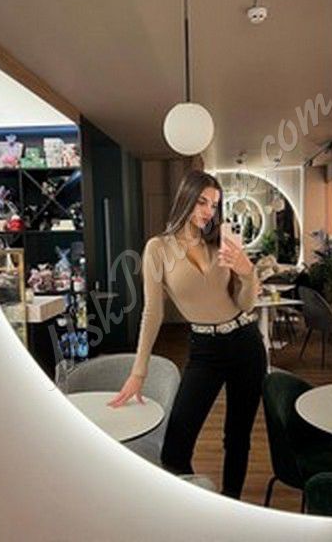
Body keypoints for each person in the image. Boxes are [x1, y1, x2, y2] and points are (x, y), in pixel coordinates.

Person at [108, 169, 266, 499]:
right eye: (202, 201)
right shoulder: (158, 249)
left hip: (245, 343)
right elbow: (152, 312)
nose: (209, 211)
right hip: (204, 350)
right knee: (175, 448)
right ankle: (194, 502)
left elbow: (245, 304)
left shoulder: (220, 243)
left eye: (215, 205)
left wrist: (248, 273)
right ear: (186, 198)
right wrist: (139, 371)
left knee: (237, 437)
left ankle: (231, 504)